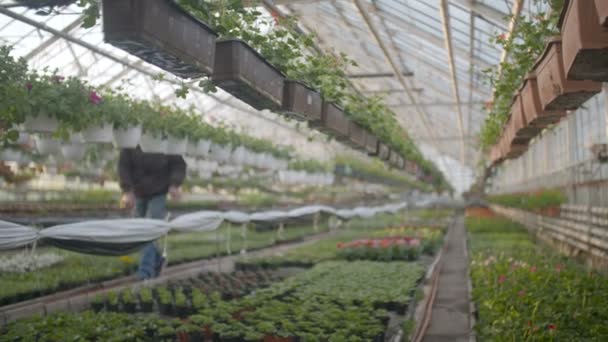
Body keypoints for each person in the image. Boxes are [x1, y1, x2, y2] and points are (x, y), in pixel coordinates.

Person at [118, 147, 186, 280]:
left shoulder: (164, 139)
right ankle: (158, 260)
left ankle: (145, 272)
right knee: (139, 231)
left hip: (159, 192)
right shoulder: (132, 139)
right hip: (138, 192)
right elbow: (124, 166)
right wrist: (127, 190)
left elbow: (178, 163)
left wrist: (174, 184)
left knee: (149, 229)